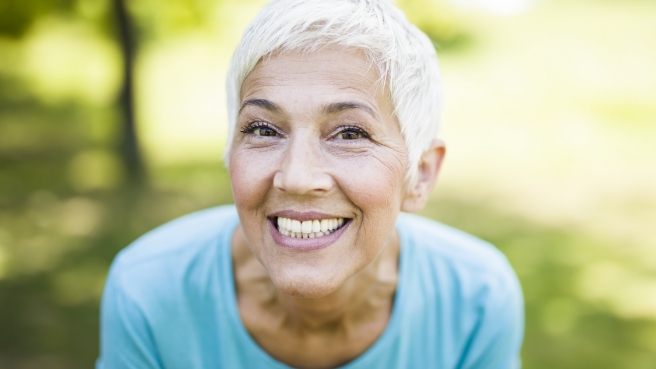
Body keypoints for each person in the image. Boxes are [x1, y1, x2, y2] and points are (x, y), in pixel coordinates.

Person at [97, 0, 524, 368]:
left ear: (421, 175)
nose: (297, 177)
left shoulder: (475, 302)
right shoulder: (149, 293)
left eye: (350, 134)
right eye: (263, 129)